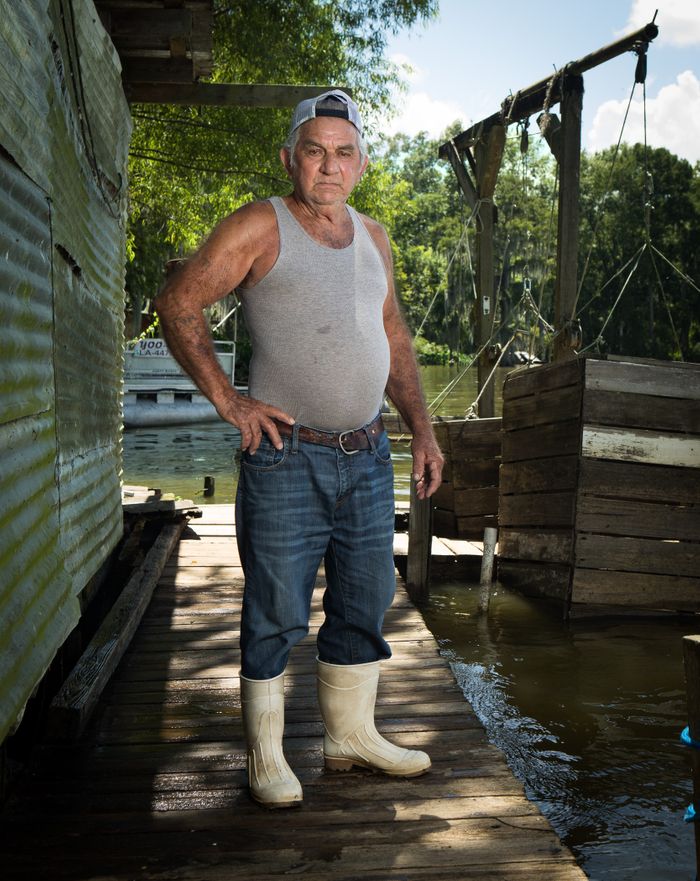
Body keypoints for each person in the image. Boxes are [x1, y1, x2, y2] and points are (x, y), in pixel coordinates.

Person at [154, 89, 444, 809]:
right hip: (288, 454)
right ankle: (264, 754)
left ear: (363, 165)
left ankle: (351, 736)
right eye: (315, 150)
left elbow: (395, 340)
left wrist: (425, 428)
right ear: (290, 157)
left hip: (370, 454)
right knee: (278, 607)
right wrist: (231, 400)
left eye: (344, 152)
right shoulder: (263, 224)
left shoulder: (375, 236)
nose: (329, 165)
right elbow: (179, 301)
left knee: (364, 600)